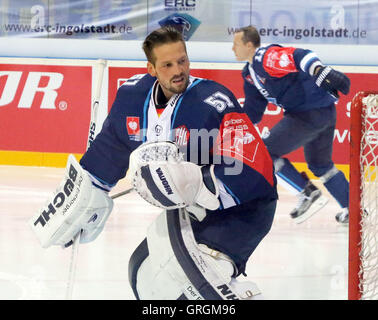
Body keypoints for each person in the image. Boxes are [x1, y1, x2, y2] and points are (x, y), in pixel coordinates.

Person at [29, 26, 278, 300]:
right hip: (187, 214)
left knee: (192, 289)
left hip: (241, 212)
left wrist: (197, 183)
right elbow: (108, 152)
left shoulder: (213, 101)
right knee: (145, 274)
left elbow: (253, 169)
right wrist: (79, 200)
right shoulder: (131, 98)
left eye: (182, 60)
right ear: (152, 69)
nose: (178, 70)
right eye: (167, 65)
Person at [232, 25, 350, 224]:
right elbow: (253, 113)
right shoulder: (250, 74)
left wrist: (318, 69)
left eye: (236, 44)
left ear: (249, 45)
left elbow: (299, 55)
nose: (233, 49)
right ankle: (353, 210)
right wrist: (232, 126)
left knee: (265, 154)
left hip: (307, 114)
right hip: (323, 112)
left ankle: (306, 192)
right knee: (320, 165)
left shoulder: (265, 57)